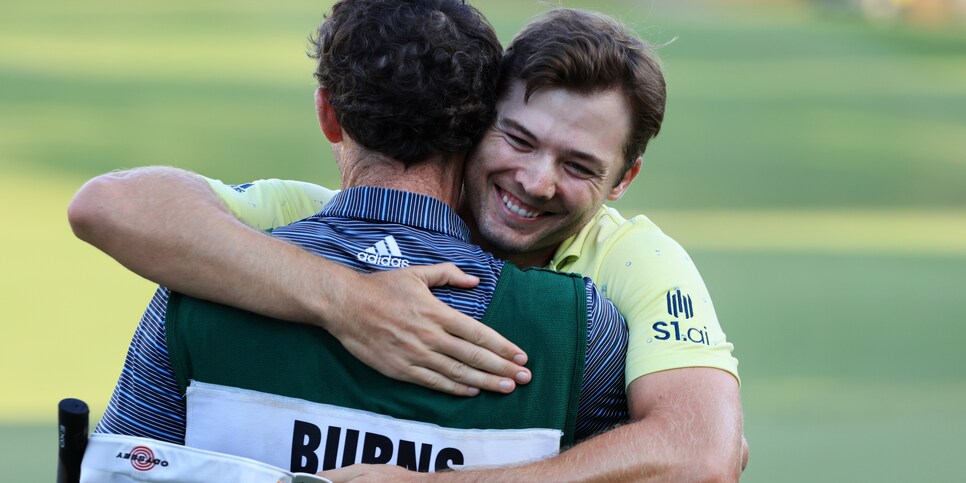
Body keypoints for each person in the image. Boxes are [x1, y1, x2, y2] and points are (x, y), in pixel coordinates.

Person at [70, 6, 747, 481]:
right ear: (476, 120)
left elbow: (703, 454)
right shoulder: (589, 327)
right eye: (518, 140)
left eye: (577, 166)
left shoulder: (633, 269)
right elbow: (111, 206)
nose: (535, 181)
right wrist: (350, 301)